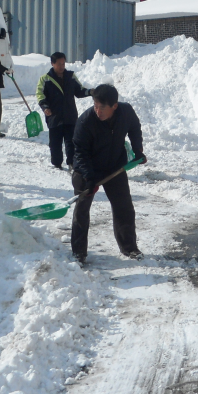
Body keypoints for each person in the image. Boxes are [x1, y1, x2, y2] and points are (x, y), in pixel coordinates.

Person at [71, 84, 146, 264]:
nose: (98, 111)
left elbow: (134, 127)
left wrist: (137, 150)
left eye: (102, 107)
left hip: (114, 167)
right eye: (95, 105)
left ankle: (129, 248)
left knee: (124, 208)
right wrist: (88, 177)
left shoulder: (126, 112)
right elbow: (79, 152)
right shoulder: (85, 121)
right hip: (87, 169)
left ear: (114, 106)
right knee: (82, 209)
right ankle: (79, 252)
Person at [36, 52, 91, 170]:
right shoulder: (45, 79)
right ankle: (57, 163)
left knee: (71, 142)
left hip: (70, 115)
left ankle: (72, 163)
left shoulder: (71, 77)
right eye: (59, 64)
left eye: (63, 63)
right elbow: (40, 95)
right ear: (52, 64)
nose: (62, 66)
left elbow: (80, 90)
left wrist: (90, 92)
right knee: (55, 143)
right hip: (54, 116)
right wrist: (45, 107)